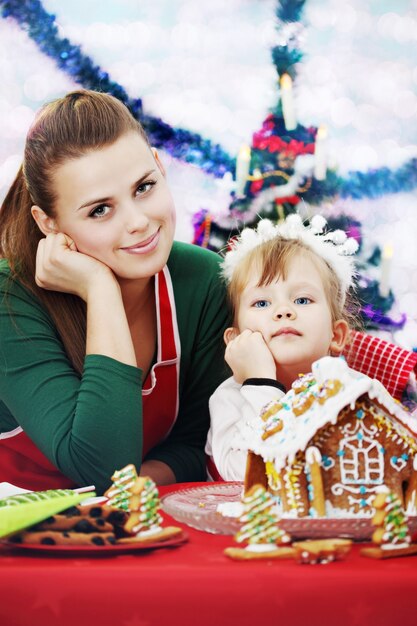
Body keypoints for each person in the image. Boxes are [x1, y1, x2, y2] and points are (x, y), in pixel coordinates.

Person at [0, 89, 230, 494]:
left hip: (138, 530)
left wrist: (139, 485)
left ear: (159, 165)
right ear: (48, 223)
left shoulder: (205, 281)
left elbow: (205, 442)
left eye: (144, 187)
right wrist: (100, 290)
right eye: (100, 210)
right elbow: (98, 465)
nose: (138, 222)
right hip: (20, 542)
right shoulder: (9, 299)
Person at [206, 214, 360, 481]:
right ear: (236, 339)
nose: (283, 311)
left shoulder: (352, 391)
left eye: (302, 299)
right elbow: (246, 475)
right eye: (262, 303)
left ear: (336, 335)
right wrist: (261, 382)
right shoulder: (230, 397)